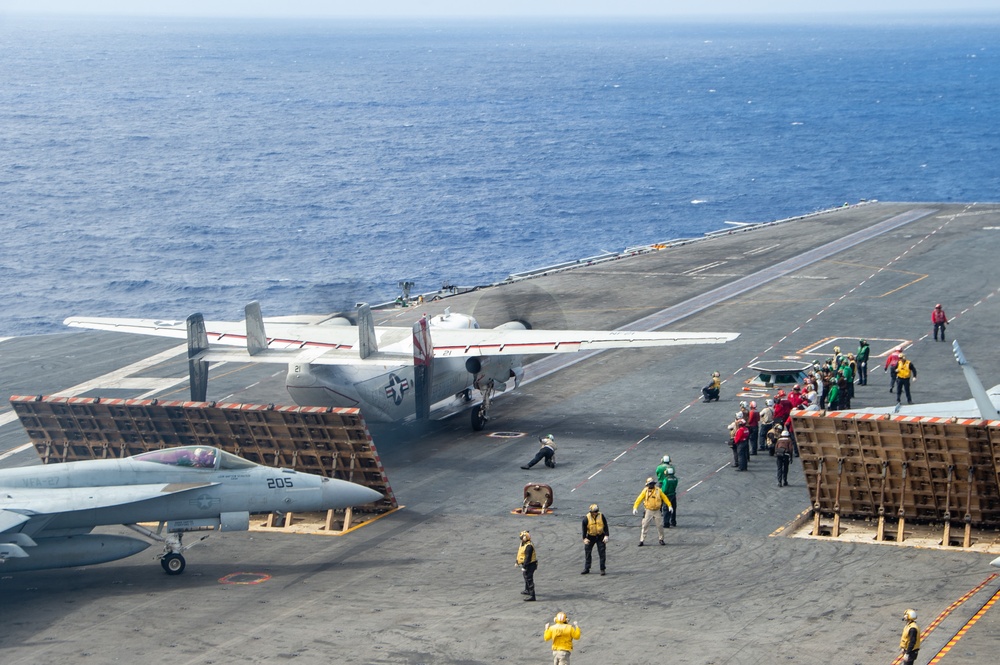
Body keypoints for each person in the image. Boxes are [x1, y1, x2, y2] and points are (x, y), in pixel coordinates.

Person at [633, 477, 672, 546]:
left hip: (657, 510)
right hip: (648, 510)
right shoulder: (645, 491)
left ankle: (661, 539)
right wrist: (635, 507)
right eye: (650, 484)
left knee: (659, 525)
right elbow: (639, 499)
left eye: (652, 484)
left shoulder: (658, 490)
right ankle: (642, 540)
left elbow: (664, 497)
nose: (651, 485)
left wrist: (669, 505)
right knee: (645, 525)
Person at [581, 503, 609, 575]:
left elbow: (605, 526)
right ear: (591, 512)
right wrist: (584, 538)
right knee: (588, 552)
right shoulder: (586, 518)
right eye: (595, 512)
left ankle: (602, 569)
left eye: (597, 511)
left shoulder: (601, 516)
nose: (596, 513)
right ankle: (587, 568)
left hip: (600, 536)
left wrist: (606, 535)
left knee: (602, 553)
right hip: (591, 536)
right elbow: (584, 529)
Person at [515, 530, 537, 601]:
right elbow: (520, 553)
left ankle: (532, 595)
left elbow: (528, 558)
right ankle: (527, 590)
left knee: (529, 578)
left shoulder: (529, 546)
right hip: (526, 564)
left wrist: (524, 567)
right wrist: (517, 562)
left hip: (530, 564)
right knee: (525, 576)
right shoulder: (523, 544)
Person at [655, 455, 673, 527]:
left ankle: (658, 513)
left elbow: (657, 473)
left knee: (659, 499)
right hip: (668, 484)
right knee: (668, 500)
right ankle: (670, 520)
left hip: (661, 483)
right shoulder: (671, 467)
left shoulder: (659, 467)